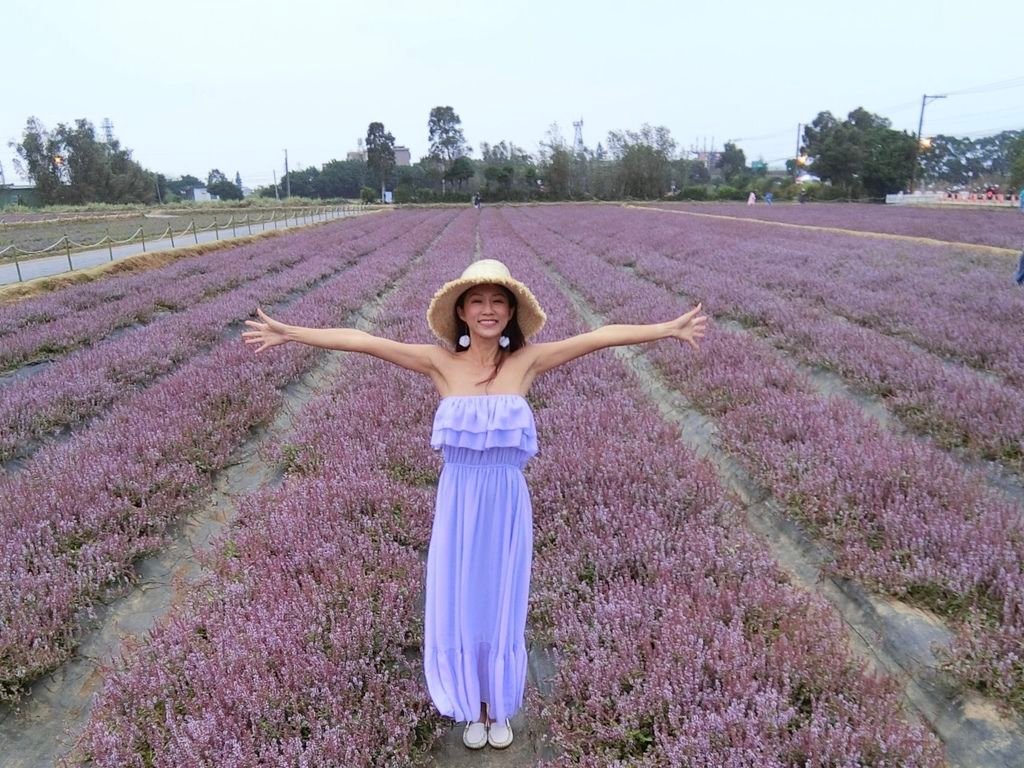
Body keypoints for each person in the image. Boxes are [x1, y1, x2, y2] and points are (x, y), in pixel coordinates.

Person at [241, 259, 708, 750]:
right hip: (459, 500)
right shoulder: (439, 363)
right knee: (461, 603)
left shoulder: (525, 363)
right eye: (478, 301)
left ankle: (498, 705)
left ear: (511, 313)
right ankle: (471, 705)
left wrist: (668, 328)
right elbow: (362, 340)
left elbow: (600, 336)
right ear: (462, 311)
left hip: (506, 500)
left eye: (498, 301)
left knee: (502, 603)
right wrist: (290, 332)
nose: (488, 310)